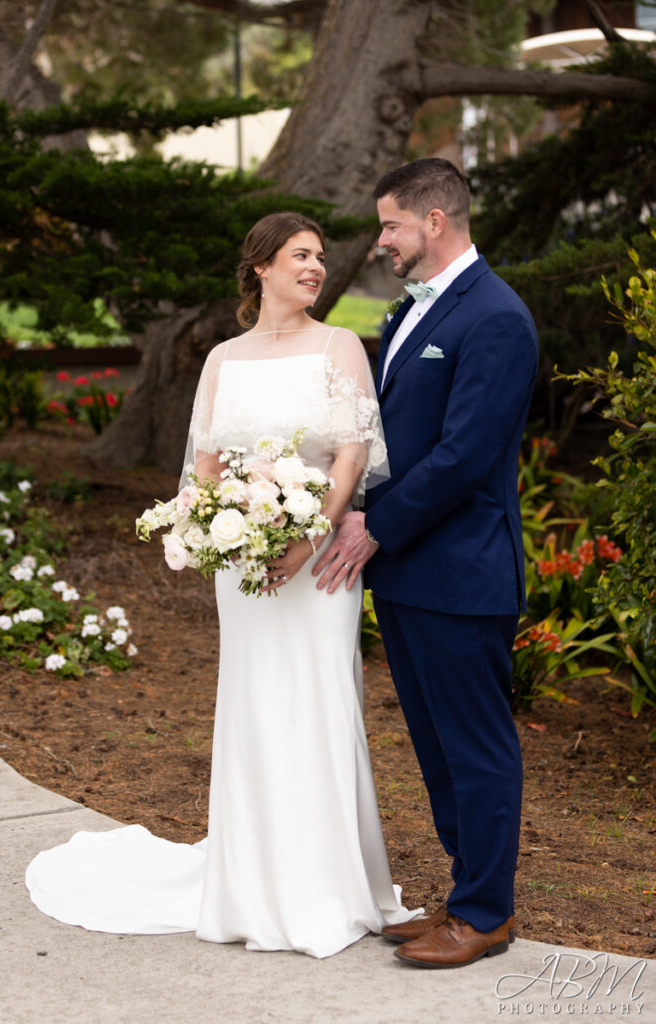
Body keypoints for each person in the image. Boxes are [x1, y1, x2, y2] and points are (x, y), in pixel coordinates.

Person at [25, 211, 420, 958]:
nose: (314, 268)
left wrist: (308, 536)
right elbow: (203, 470)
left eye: (318, 258)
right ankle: (250, 880)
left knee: (321, 699)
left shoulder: (339, 345)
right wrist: (213, 529)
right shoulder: (223, 360)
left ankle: (330, 886)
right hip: (244, 567)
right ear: (260, 267)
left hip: (320, 560)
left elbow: (349, 454)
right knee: (255, 704)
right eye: (299, 256)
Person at [314, 158, 538, 969]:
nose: (381, 242)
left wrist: (373, 528)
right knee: (438, 750)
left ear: (433, 222)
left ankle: (485, 915)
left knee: (475, 748)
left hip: (459, 574)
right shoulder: (409, 312)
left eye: (390, 226)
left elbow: (464, 457)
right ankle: (461, 896)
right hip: (409, 572)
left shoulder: (496, 318)